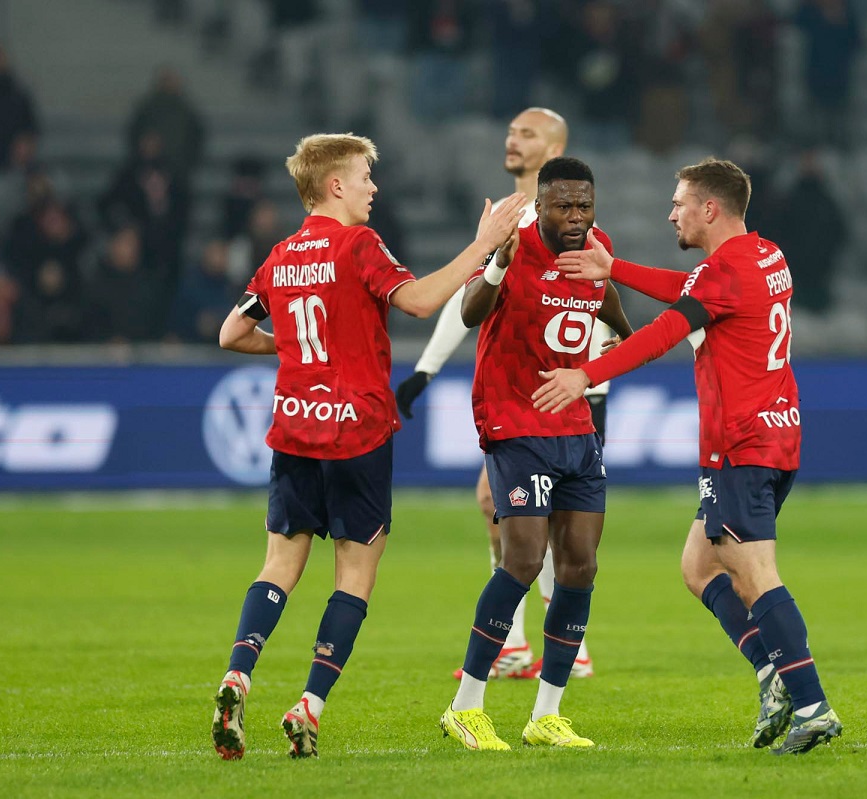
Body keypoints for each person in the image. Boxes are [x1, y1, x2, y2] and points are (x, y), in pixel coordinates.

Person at [211, 133, 526, 760]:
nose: (372, 188)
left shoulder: (282, 254)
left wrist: (300, 347)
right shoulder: (359, 245)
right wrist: (483, 247)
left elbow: (230, 332)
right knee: (355, 574)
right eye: (364, 177)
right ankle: (309, 705)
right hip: (356, 431)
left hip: (296, 429)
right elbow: (417, 302)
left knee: (278, 565)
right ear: (335, 186)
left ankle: (238, 673)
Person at [534, 157, 842, 755]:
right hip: (775, 433)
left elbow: (664, 332)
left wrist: (585, 374)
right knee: (699, 568)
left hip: (742, 443)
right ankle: (771, 672)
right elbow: (698, 291)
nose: (670, 211)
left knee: (754, 574)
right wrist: (614, 267)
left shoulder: (723, 272)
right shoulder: (764, 255)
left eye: (679, 203)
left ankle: (813, 705)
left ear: (709, 209)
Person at [395, 108, 628, 680]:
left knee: (536, 520)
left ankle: (544, 644)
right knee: (506, 512)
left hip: (566, 392)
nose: (511, 140)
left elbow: (600, 292)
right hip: (525, 393)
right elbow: (470, 296)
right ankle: (532, 643)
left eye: (526, 133)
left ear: (555, 145)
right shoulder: (509, 215)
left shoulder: (559, 216)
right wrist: (425, 369)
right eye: (510, 131)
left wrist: (598, 369)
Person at [441, 156, 633, 752]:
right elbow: (472, 313)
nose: (576, 217)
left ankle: (546, 714)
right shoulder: (515, 247)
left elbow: (616, 317)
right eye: (564, 206)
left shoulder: (596, 250)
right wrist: (494, 259)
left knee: (580, 566)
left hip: (575, 427)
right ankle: (466, 706)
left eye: (585, 206)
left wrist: (612, 353)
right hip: (514, 419)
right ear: (541, 206)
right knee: (524, 559)